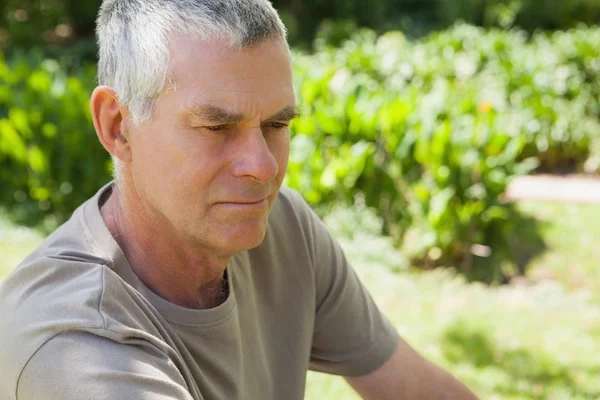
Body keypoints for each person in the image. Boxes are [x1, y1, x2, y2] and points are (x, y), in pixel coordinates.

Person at [0, 1, 478, 399]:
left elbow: (416, 389)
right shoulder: (72, 339)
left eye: (276, 125)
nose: (263, 168)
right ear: (117, 127)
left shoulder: (285, 231)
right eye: (217, 128)